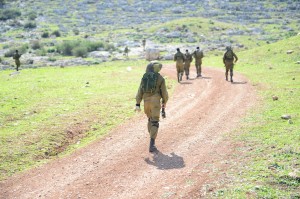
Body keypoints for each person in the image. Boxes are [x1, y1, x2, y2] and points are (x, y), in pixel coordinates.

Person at [135, 62, 169, 152]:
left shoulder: (144, 77)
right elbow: (165, 94)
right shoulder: (160, 78)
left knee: (150, 119)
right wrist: (164, 102)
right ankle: (152, 144)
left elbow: (139, 91)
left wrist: (137, 104)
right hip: (155, 102)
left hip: (146, 102)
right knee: (155, 122)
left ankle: (151, 137)